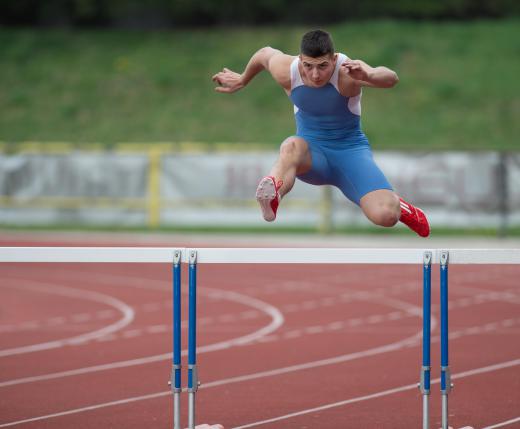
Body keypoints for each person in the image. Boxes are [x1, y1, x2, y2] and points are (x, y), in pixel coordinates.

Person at [212, 29, 430, 237]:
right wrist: (242, 79)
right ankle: (273, 193)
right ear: (300, 59)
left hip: (350, 155)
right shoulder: (286, 70)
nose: (315, 74)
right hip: (311, 156)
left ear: (334, 59)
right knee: (291, 145)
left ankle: (401, 207)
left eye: (323, 66)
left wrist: (369, 74)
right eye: (308, 65)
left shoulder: (348, 71)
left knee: (385, 215)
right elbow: (263, 54)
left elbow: (391, 78)